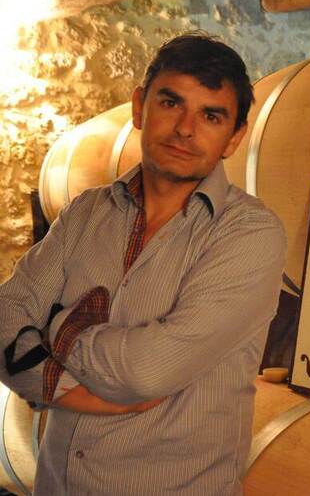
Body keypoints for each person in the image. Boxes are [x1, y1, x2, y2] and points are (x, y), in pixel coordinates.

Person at [0, 32, 286, 495]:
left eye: (211, 116)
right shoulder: (85, 213)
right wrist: (68, 389)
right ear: (139, 107)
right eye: (171, 103)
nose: (186, 129)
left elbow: (147, 372)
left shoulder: (250, 233)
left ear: (234, 137)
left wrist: (58, 328)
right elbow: (4, 317)